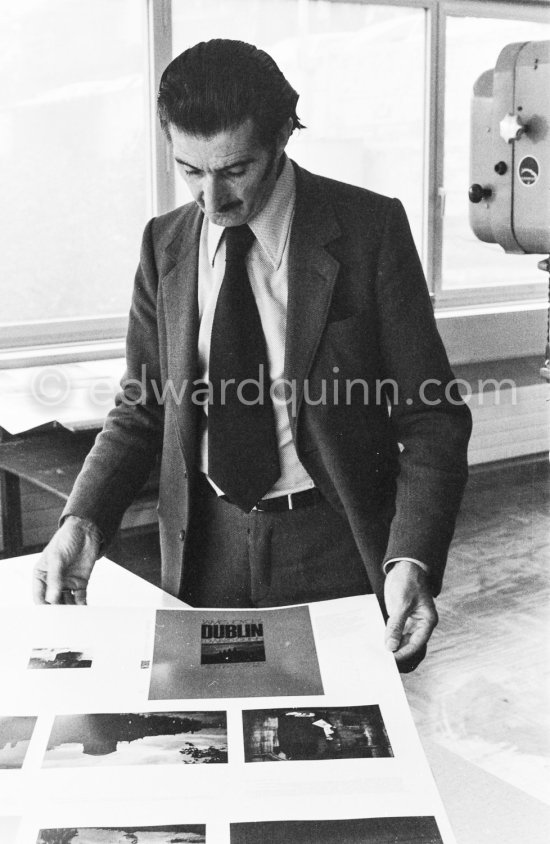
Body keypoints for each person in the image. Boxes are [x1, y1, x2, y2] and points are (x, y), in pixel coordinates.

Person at [33, 39, 472, 671]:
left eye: (234, 170)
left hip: (335, 543)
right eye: (190, 170)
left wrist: (412, 558)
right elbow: (143, 408)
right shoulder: (165, 245)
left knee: (339, 751)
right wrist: (83, 522)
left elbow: (432, 418)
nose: (211, 201)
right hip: (203, 547)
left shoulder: (371, 230)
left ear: (281, 140)